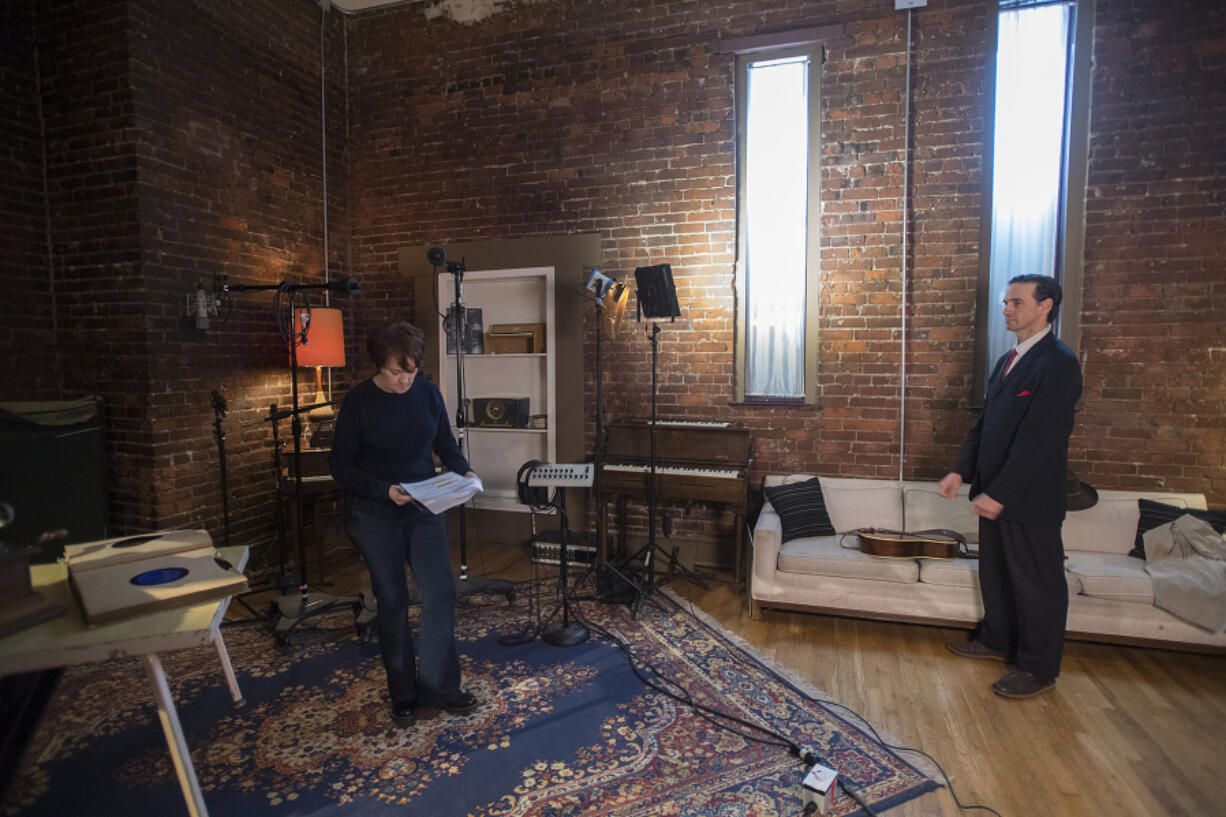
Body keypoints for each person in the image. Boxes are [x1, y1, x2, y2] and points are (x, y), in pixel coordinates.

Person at [938, 274, 1082, 699]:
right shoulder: (1006, 362)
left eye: (1017, 303)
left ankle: (1038, 669)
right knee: (996, 575)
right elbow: (985, 426)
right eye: (1006, 303)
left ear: (1046, 306)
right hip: (992, 493)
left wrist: (1001, 493)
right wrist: (960, 472)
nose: (1007, 310)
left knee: (1038, 584)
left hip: (1030, 500)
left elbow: (1040, 439)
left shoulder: (1059, 363)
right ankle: (996, 640)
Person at [329, 321, 479, 723]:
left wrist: (464, 472)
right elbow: (339, 466)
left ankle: (439, 687)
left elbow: (445, 445)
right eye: (397, 372)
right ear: (379, 365)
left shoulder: (428, 393)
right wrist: (384, 490)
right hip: (374, 509)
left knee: (441, 592)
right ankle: (403, 691)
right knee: (393, 600)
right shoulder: (358, 402)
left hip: (422, 505)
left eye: (411, 371)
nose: (404, 380)